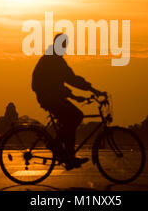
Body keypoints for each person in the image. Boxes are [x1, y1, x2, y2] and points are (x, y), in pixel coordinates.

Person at [32, 33, 105, 170]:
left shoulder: (53, 58)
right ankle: (57, 146)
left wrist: (74, 96)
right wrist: (93, 90)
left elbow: (60, 83)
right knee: (76, 116)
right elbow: (71, 79)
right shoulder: (54, 60)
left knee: (71, 119)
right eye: (64, 45)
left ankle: (68, 155)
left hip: (52, 96)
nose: (65, 48)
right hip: (49, 98)